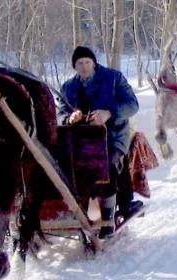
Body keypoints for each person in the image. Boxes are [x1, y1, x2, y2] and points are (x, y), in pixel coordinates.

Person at [56, 46, 142, 238]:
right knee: (64, 168)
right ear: (74, 67)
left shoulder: (113, 78)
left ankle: (108, 219)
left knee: (106, 164)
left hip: (113, 136)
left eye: (87, 62)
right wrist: (69, 118)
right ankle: (77, 212)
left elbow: (132, 105)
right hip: (78, 142)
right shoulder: (68, 87)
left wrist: (109, 113)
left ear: (94, 63)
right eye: (80, 63)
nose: (84, 67)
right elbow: (60, 112)